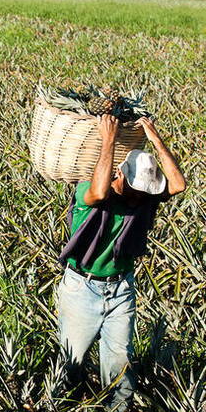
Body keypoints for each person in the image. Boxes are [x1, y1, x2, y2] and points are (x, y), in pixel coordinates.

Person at [56, 115, 186, 411]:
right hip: (81, 288)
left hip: (121, 288)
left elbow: (177, 184)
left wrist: (153, 137)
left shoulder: (143, 198)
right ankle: (67, 404)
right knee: (72, 361)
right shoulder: (89, 192)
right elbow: (100, 192)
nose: (141, 197)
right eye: (136, 189)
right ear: (119, 176)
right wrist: (109, 140)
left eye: (145, 192)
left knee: (120, 361)